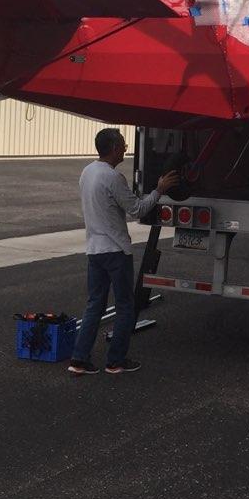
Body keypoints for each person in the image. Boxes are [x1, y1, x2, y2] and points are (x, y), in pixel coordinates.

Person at [68, 129, 179, 377]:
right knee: (125, 306)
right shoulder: (113, 178)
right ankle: (115, 361)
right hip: (115, 251)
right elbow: (137, 210)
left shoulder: (87, 172)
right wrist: (159, 190)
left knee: (94, 305)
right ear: (115, 147)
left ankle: (79, 358)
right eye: (123, 144)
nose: (127, 147)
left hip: (94, 249)